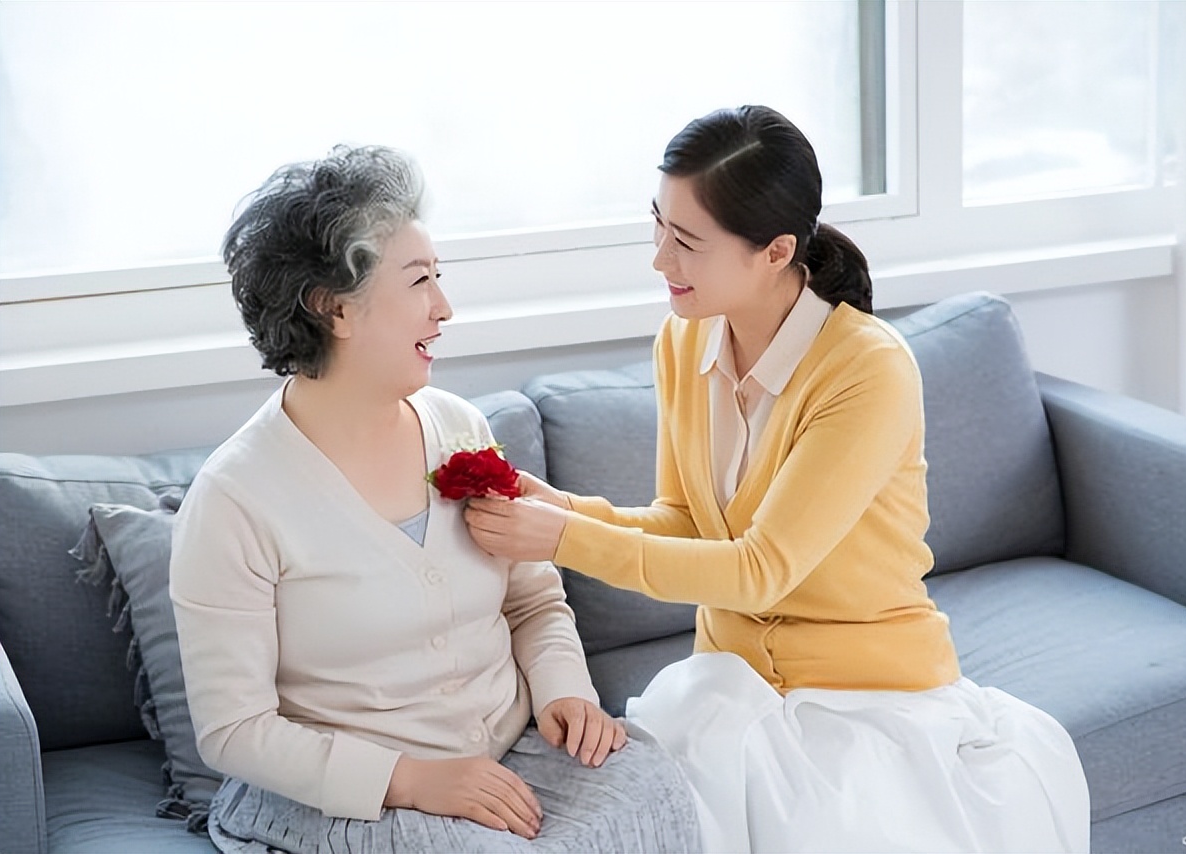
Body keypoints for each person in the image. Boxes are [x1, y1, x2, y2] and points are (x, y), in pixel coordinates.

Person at [464, 106, 1091, 853]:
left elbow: (760, 570)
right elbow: (689, 522)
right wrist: (560, 507)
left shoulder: (867, 369)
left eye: (687, 242)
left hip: (867, 699)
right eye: (657, 226)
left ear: (776, 251)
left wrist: (564, 538)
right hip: (728, 687)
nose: (661, 261)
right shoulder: (684, 336)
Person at [169, 145, 698, 854]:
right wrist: (413, 780)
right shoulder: (234, 500)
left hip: (512, 750)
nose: (444, 308)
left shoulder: (459, 428)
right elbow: (235, 731)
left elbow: (532, 599)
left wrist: (564, 692)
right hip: (350, 791)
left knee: (653, 784)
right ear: (334, 309)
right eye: (419, 282)